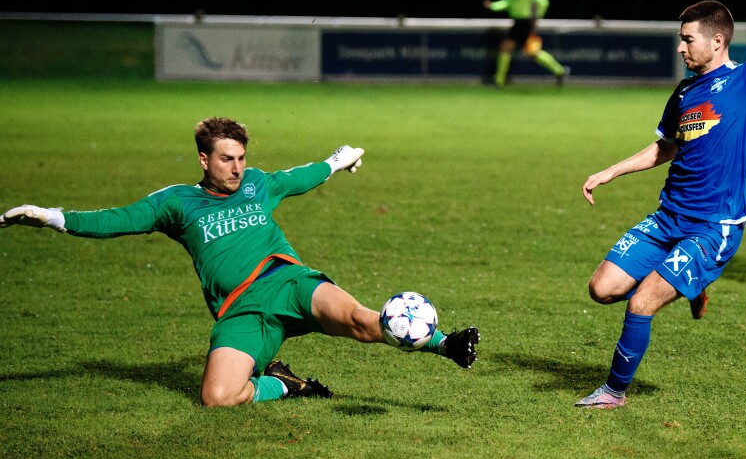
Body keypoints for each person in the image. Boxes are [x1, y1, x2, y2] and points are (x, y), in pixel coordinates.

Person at [0, 117, 480, 407]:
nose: (237, 168)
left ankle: (445, 344)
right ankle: (283, 384)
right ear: (203, 160)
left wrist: (337, 161)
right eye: (227, 159)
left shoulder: (257, 184)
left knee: (360, 318)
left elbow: (299, 177)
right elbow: (117, 219)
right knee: (217, 398)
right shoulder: (176, 204)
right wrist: (52, 218)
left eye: (242, 158)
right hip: (241, 311)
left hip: (288, 281)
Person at [575, 0, 746, 409]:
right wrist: (610, 171)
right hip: (669, 218)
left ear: (717, 41)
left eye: (688, 39)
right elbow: (665, 147)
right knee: (601, 289)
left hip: (714, 225)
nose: (681, 46)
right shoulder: (686, 92)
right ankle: (690, 283)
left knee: (641, 304)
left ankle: (614, 392)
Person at [483, 0, 570, 88]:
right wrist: (493, 6)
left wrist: (537, 17)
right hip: (517, 22)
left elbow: (544, 2)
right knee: (532, 52)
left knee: (507, 48)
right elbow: (507, 3)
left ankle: (499, 81)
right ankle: (560, 71)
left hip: (524, 23)